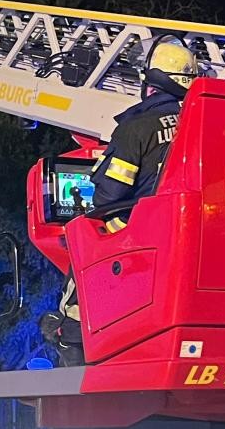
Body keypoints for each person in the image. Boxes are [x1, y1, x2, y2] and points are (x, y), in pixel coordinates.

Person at [42, 39, 200, 359]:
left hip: (141, 234)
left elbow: (108, 194)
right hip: (188, 233)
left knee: (84, 236)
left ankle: (72, 331)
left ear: (151, 83)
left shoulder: (137, 127)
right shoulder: (202, 124)